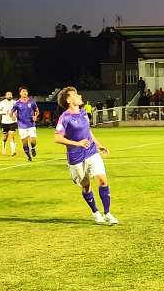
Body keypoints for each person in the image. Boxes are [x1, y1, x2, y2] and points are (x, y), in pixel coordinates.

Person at [54, 86, 118, 225]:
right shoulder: (65, 117)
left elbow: (88, 132)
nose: (79, 96)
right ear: (69, 100)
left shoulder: (83, 112)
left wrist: (99, 144)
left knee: (102, 180)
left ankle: (107, 213)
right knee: (86, 185)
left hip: (91, 152)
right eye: (75, 94)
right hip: (76, 157)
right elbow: (57, 138)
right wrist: (77, 144)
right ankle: (95, 212)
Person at [11, 86, 39, 161]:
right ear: (20, 93)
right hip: (22, 126)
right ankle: (29, 157)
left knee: (33, 141)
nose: (25, 93)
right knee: (24, 142)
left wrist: (35, 116)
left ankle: (33, 148)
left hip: (31, 124)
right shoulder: (17, 103)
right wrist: (13, 117)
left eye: (26, 91)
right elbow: (11, 112)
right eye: (23, 91)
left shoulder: (32, 102)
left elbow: (37, 111)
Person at [0, 91, 17, 156]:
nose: (9, 95)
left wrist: (15, 116)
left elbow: (18, 110)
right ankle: (4, 148)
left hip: (13, 121)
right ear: (5, 96)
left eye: (10, 94)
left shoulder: (15, 102)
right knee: (5, 137)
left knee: (12, 135)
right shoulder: (2, 103)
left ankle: (13, 151)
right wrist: (5, 112)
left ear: (12, 96)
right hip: (5, 122)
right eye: (8, 94)